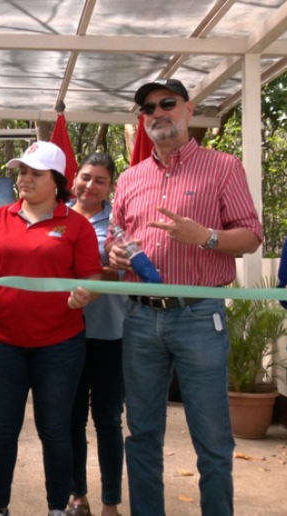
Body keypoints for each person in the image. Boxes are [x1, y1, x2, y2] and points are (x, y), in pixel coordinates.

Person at [108, 78, 262, 516]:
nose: (157, 112)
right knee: (141, 435)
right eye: (148, 108)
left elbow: (252, 236)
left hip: (198, 316)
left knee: (212, 439)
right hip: (140, 318)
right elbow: (116, 235)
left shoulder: (223, 167)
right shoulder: (131, 177)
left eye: (167, 103)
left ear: (189, 110)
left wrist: (206, 236)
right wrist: (114, 253)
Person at [0, 141, 102, 516]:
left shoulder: (76, 225)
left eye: (35, 173)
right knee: (2, 428)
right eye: (22, 172)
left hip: (60, 345)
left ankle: (56, 508)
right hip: (4, 344)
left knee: (55, 429)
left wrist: (86, 294)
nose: (25, 179)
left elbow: (92, 277)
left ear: (57, 180)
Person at [65, 153, 126, 516]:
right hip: (63, 334)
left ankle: (110, 502)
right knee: (71, 419)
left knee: (108, 420)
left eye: (100, 180)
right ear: (74, 178)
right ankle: (77, 496)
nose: (90, 186)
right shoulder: (56, 216)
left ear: (110, 187)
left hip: (110, 335)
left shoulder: (119, 222)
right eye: (86, 177)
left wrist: (100, 273)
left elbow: (121, 270)